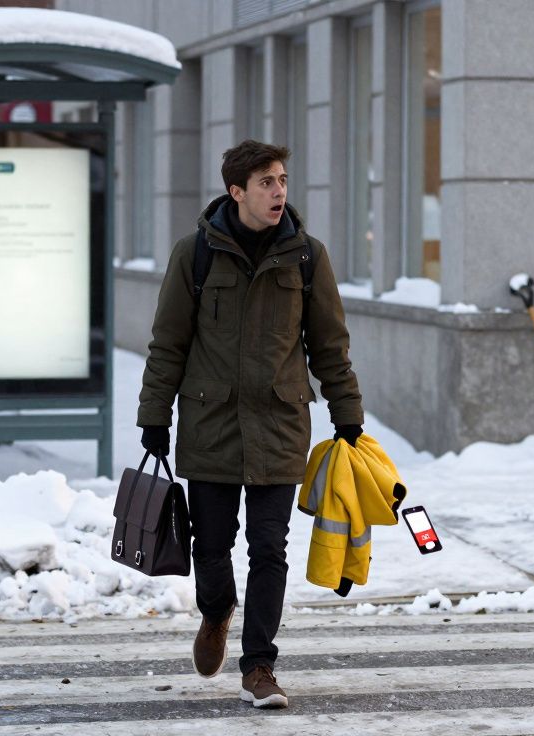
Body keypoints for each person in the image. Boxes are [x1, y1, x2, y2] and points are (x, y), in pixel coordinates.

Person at [136, 140, 364, 710]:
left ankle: (260, 664)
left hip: (280, 425)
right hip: (211, 423)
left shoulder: (308, 256)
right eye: (266, 182)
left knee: (270, 549)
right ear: (236, 191)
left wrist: (347, 415)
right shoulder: (195, 255)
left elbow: (329, 347)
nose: (279, 191)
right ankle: (216, 612)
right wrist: (153, 417)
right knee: (211, 549)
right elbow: (168, 344)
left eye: (282, 179)